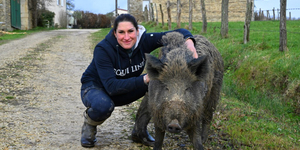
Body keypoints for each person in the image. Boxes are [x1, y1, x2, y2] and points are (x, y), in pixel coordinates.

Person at [80, 13, 198, 148]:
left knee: (156, 84)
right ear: (114, 33)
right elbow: (111, 87)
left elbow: (178, 33)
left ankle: (139, 130)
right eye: (121, 32)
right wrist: (145, 78)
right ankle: (90, 123)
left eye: (130, 31)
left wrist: (189, 42)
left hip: (123, 88)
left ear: (137, 31)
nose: (126, 37)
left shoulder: (145, 41)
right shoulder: (103, 49)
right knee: (103, 105)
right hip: (96, 88)